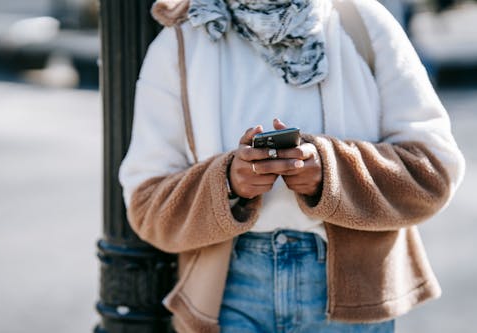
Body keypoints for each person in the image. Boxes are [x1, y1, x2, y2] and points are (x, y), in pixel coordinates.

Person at [119, 0, 465, 332]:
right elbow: (147, 205)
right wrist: (227, 183)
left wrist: (330, 172)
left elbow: (435, 171)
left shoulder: (364, 21)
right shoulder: (181, 40)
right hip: (225, 296)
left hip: (352, 297)